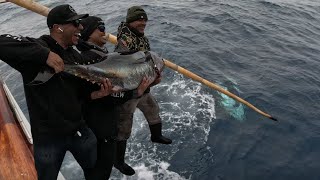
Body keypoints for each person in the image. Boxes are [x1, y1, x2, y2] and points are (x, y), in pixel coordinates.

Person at [0, 4, 114, 180]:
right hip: (47, 141)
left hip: (80, 132)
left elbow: (80, 93)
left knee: (95, 174)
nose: (81, 27)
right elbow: (2, 41)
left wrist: (97, 94)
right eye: (75, 23)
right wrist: (45, 54)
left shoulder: (75, 57)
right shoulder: (37, 48)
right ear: (57, 27)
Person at [77, 16, 152, 179]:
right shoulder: (90, 59)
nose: (105, 31)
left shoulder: (100, 55)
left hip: (106, 121)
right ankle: (116, 162)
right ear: (89, 33)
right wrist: (137, 92)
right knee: (101, 171)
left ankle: (118, 162)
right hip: (100, 127)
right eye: (101, 27)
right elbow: (108, 96)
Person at [113, 6, 172, 176]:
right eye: (139, 19)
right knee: (124, 127)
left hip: (144, 87)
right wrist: (143, 84)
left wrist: (154, 75)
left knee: (153, 109)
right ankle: (118, 161)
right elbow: (124, 67)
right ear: (130, 21)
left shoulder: (142, 38)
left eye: (145, 20)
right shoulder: (125, 40)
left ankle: (156, 136)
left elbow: (146, 60)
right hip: (131, 90)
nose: (143, 23)